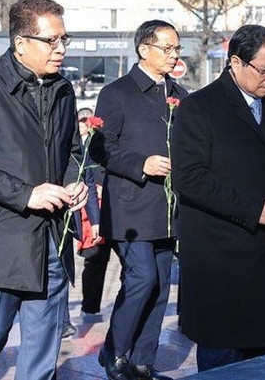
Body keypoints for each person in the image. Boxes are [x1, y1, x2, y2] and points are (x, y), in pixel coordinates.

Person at [171, 24, 265, 371]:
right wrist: (254, 209)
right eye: (264, 70)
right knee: (223, 362)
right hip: (219, 259)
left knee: (262, 363)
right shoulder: (199, 107)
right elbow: (189, 178)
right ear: (236, 62)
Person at [0, 0, 88, 380]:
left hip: (52, 239)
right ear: (21, 43)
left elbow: (73, 150)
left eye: (64, 39)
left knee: (43, 348)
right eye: (51, 40)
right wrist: (26, 194)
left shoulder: (63, 90)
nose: (61, 48)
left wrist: (74, 181)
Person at [90, 19, 187, 380]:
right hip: (131, 206)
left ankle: (143, 362)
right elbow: (100, 147)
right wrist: (141, 164)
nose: (174, 55)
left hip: (167, 208)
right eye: (167, 48)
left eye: (177, 48)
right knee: (142, 278)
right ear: (144, 49)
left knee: (160, 285)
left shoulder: (179, 93)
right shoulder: (117, 92)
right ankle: (114, 353)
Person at [75, 107, 110, 317]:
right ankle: (89, 306)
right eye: (80, 121)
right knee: (94, 258)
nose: (83, 124)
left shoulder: (99, 142)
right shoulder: (76, 146)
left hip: (109, 203)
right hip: (91, 207)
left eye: (86, 121)